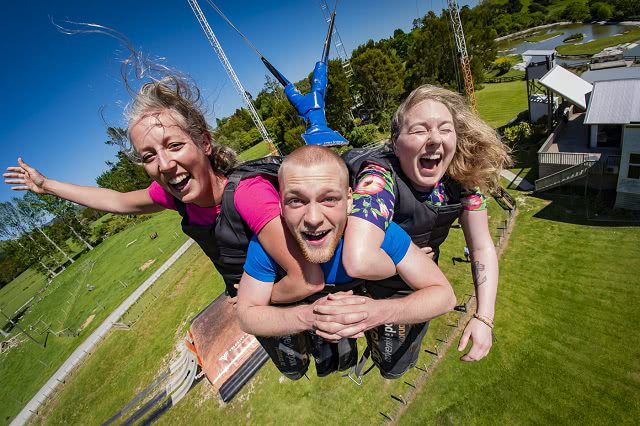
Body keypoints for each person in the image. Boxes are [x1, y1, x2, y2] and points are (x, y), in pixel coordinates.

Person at [3, 77, 322, 301]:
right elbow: (118, 200)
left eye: (174, 145)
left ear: (204, 142)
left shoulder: (248, 197)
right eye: (149, 156)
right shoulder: (176, 197)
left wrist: (255, 300)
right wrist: (47, 185)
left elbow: (307, 280)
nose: (165, 165)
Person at [236, 145, 456, 379]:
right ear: (280, 206)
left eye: (329, 199)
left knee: (393, 364)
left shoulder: (376, 233)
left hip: (372, 298)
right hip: (311, 308)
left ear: (350, 201)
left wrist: (377, 312)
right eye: (296, 201)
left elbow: (445, 296)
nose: (313, 219)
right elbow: (246, 315)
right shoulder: (268, 246)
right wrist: (310, 317)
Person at [342, 84, 512, 363]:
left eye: (445, 129)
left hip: (418, 284)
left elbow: (481, 248)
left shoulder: (463, 180)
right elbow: (359, 261)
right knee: (363, 353)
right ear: (395, 144)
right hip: (372, 284)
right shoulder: (378, 177)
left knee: (395, 365)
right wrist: (407, 259)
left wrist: (484, 318)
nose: (434, 139)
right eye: (420, 130)